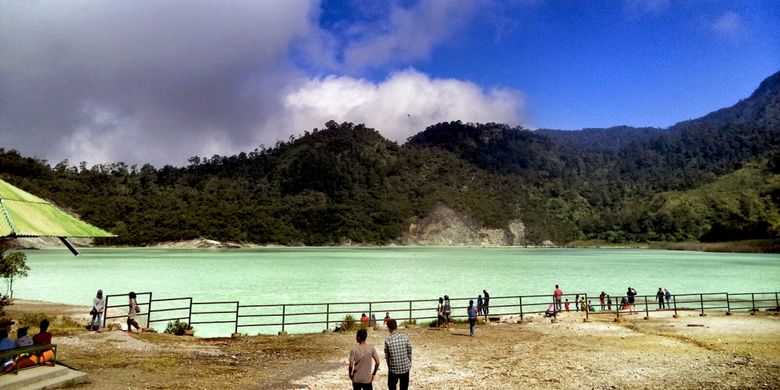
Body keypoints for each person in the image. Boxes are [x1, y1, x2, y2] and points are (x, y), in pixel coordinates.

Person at [384, 319, 412, 390]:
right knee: (404, 387)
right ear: (396, 326)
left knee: (391, 386)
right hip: (405, 368)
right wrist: (409, 362)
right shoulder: (405, 337)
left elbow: (387, 357)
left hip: (393, 369)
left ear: (388, 328)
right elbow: (409, 351)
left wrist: (389, 368)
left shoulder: (388, 340)